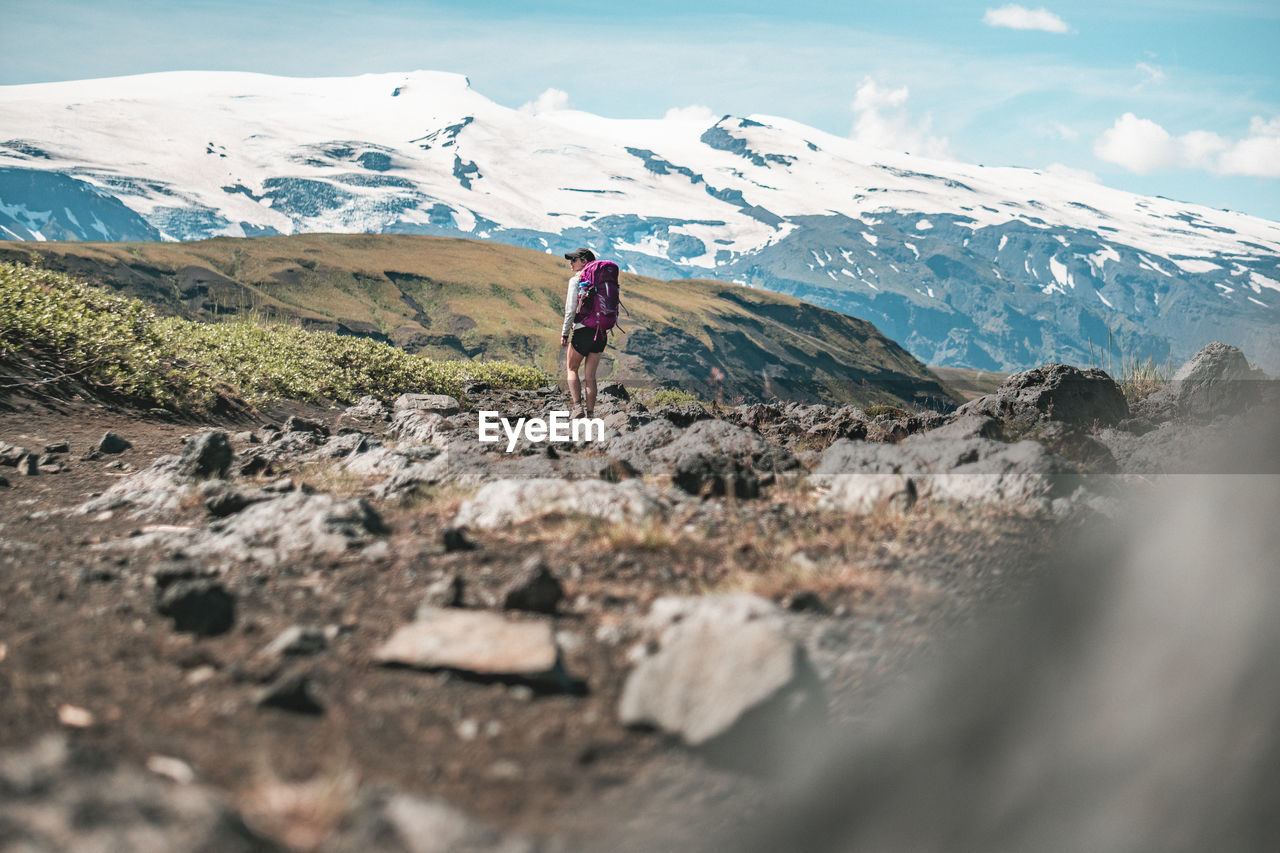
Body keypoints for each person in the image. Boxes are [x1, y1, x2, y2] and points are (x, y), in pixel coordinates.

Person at [560, 247, 606, 419]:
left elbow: (570, 310)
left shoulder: (577, 280)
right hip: (601, 332)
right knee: (590, 376)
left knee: (571, 368)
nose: (571, 263)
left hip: (582, 331)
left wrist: (565, 333)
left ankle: (578, 407)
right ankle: (591, 414)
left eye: (574, 260)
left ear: (584, 261)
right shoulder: (602, 282)